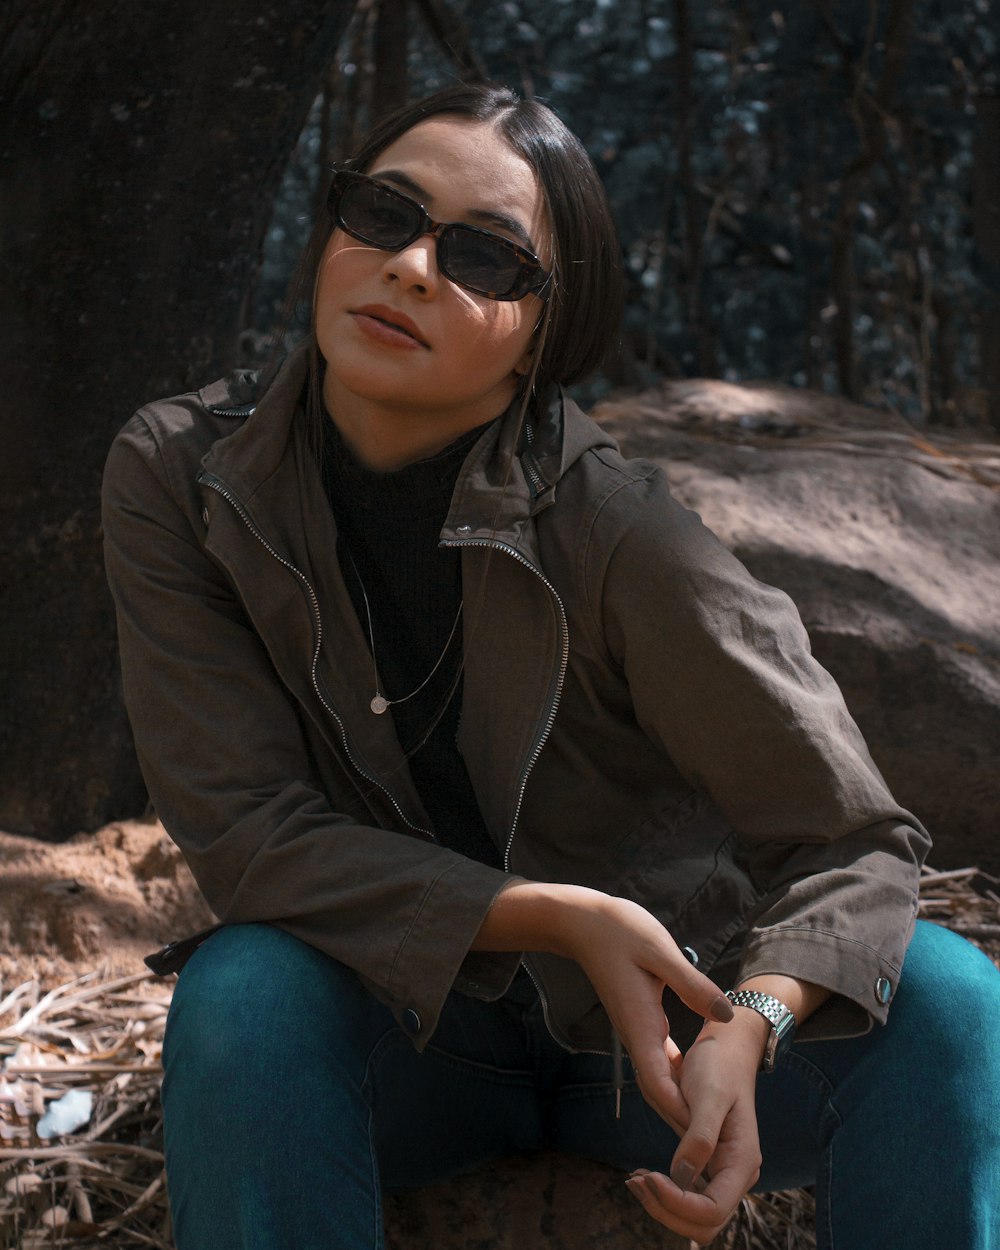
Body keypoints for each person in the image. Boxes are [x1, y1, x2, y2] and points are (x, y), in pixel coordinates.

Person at [101, 82, 1000, 1250]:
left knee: (949, 1004)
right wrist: (558, 916)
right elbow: (244, 828)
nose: (415, 265)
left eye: (485, 257)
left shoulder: (623, 533)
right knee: (244, 992)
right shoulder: (183, 476)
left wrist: (757, 1018)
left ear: (547, 333)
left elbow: (856, 839)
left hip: (658, 1058)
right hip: (398, 1034)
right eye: (383, 212)